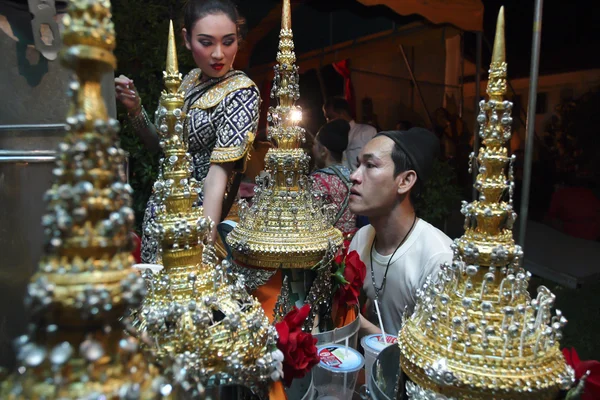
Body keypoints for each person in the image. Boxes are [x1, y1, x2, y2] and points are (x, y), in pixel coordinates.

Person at [115, 0, 259, 263]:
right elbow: (162, 147)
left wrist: (203, 239)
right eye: (207, 42)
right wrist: (136, 110)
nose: (218, 54)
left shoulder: (241, 92)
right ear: (187, 39)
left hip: (202, 218)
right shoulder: (188, 81)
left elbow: (219, 174)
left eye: (228, 41)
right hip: (162, 215)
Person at [347, 128, 453, 336]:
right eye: (357, 165)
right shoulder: (362, 238)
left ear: (405, 181)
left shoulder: (440, 260)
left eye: (370, 165)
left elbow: (433, 358)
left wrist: (357, 323)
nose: (354, 176)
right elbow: (351, 305)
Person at [311, 119, 357, 237]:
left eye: (314, 144)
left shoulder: (318, 180)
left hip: (329, 246)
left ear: (323, 151)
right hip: (352, 244)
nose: (312, 148)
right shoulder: (353, 176)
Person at [323, 97, 376, 172]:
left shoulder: (367, 132)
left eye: (330, 117)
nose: (328, 122)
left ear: (342, 113)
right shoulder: (330, 141)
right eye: (327, 119)